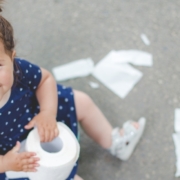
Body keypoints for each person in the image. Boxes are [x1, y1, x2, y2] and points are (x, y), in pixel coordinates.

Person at [0, 1, 146, 180]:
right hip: (13, 156)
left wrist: (47, 112)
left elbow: (45, 79)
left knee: (82, 102)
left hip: (37, 114)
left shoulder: (19, 69)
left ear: (11, 57)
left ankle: (115, 142)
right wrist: (6, 163)